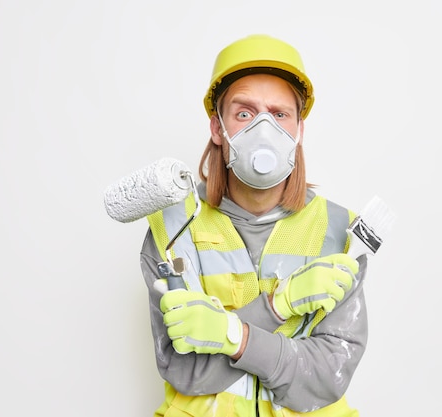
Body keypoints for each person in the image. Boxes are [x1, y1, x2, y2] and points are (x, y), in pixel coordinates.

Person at [140, 34, 368, 416]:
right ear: (218, 128)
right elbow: (187, 370)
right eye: (245, 113)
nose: (264, 129)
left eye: (279, 115)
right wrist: (282, 304)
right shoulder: (175, 229)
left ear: (298, 131)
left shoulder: (339, 231)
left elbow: (327, 376)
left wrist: (230, 335)